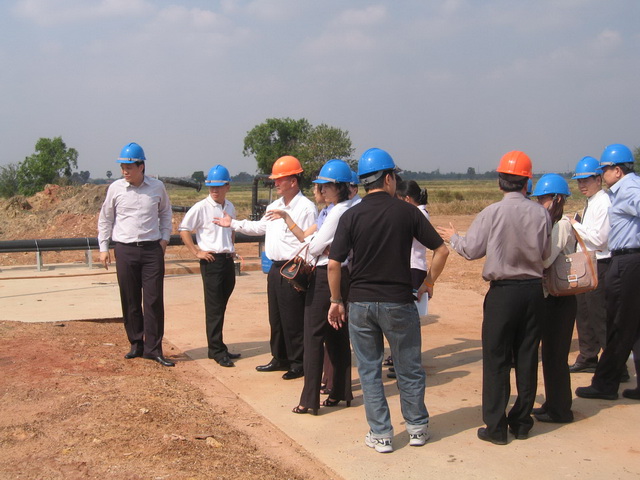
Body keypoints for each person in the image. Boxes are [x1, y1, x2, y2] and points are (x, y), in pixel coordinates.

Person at [328, 148, 449, 453]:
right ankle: (417, 428)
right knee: (409, 368)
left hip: (360, 304)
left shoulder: (351, 215)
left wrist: (336, 300)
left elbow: (334, 264)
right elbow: (442, 250)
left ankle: (381, 434)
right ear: (388, 178)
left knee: (369, 371)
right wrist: (428, 282)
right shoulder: (408, 212)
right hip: (398, 302)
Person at [437, 151, 551, 445]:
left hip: (503, 294)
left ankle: (496, 427)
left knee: (496, 359)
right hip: (533, 291)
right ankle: (522, 422)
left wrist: (454, 237)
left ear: (500, 181)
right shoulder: (541, 214)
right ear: (527, 182)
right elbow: (546, 254)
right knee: (527, 357)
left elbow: (472, 250)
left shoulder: (491, 213)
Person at [214, 156, 317, 380]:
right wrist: (233, 223)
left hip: (294, 268)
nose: (275, 183)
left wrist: (305, 273)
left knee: (293, 318)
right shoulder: (274, 206)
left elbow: (310, 241)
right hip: (275, 269)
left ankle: (298, 362)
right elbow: (260, 227)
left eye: (280, 179)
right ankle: (279, 357)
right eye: (275, 179)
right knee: (276, 317)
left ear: (293, 181)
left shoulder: (306, 208)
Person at [267, 159, 355, 415]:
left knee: (313, 335)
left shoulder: (336, 212)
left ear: (337, 187)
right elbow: (311, 239)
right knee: (337, 335)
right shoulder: (343, 208)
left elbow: (314, 247)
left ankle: (309, 399)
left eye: (325, 186)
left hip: (325, 276)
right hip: (341, 274)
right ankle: (341, 390)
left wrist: (318, 242)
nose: (321, 190)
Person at [98, 142, 174, 367]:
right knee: (130, 298)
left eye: (129, 167)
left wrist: (164, 239)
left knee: (153, 300)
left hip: (151, 250)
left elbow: (165, 213)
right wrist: (103, 247)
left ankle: (154, 349)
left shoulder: (157, 187)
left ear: (141, 166)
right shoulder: (116, 189)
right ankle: (136, 343)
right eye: (123, 167)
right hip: (125, 249)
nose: (125, 171)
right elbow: (106, 218)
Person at [576, 144, 640, 401]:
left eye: (604, 170)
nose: (602, 175)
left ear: (617, 170)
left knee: (617, 325)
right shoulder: (623, 189)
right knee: (635, 328)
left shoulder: (629, 188)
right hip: (629, 259)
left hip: (627, 260)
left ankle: (605, 384)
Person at [178, 165, 240, 368]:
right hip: (211, 261)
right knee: (214, 308)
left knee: (221, 305)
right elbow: (184, 229)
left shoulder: (230, 206)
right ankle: (216, 350)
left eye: (218, 186)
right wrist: (197, 252)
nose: (214, 190)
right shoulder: (201, 207)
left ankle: (219, 345)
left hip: (227, 260)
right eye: (211, 186)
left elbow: (231, 229)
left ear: (227, 187)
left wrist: (231, 247)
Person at [530, 174, 577, 423]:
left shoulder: (562, 226)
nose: (541, 203)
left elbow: (546, 259)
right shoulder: (552, 224)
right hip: (552, 297)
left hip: (560, 300)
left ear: (557, 199)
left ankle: (560, 410)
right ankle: (553, 403)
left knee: (556, 356)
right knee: (549, 354)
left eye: (544, 199)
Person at [568, 157, 611, 373]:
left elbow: (600, 239)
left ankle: (614, 364)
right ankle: (588, 356)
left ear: (598, 179)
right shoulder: (592, 201)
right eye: (579, 181)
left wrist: (575, 225)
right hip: (587, 263)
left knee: (599, 316)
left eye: (586, 180)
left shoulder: (604, 203)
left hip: (600, 263)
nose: (582, 185)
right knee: (583, 313)